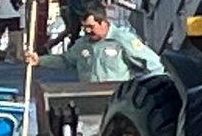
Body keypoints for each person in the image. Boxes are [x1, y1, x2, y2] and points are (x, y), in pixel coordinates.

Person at [26, 5, 163, 83]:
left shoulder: (122, 40)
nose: (87, 31)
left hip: (115, 99)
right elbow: (65, 60)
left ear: (103, 23)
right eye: (85, 27)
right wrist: (39, 60)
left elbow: (153, 64)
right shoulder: (82, 44)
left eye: (91, 27)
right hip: (89, 97)